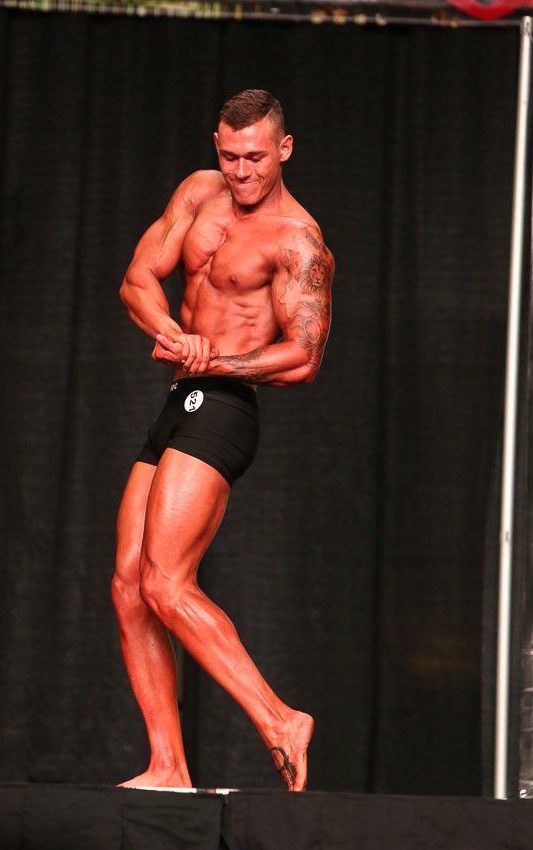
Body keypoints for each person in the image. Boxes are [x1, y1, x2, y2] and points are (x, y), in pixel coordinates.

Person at [111, 89, 334, 792]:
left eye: (257, 158)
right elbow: (137, 279)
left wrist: (216, 361)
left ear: (284, 149)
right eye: (232, 156)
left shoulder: (296, 238)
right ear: (217, 146)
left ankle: (280, 720)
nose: (242, 172)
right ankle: (168, 766)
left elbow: (304, 356)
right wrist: (171, 333)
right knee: (128, 586)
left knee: (165, 581)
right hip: (180, 398)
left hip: (227, 406)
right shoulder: (198, 193)